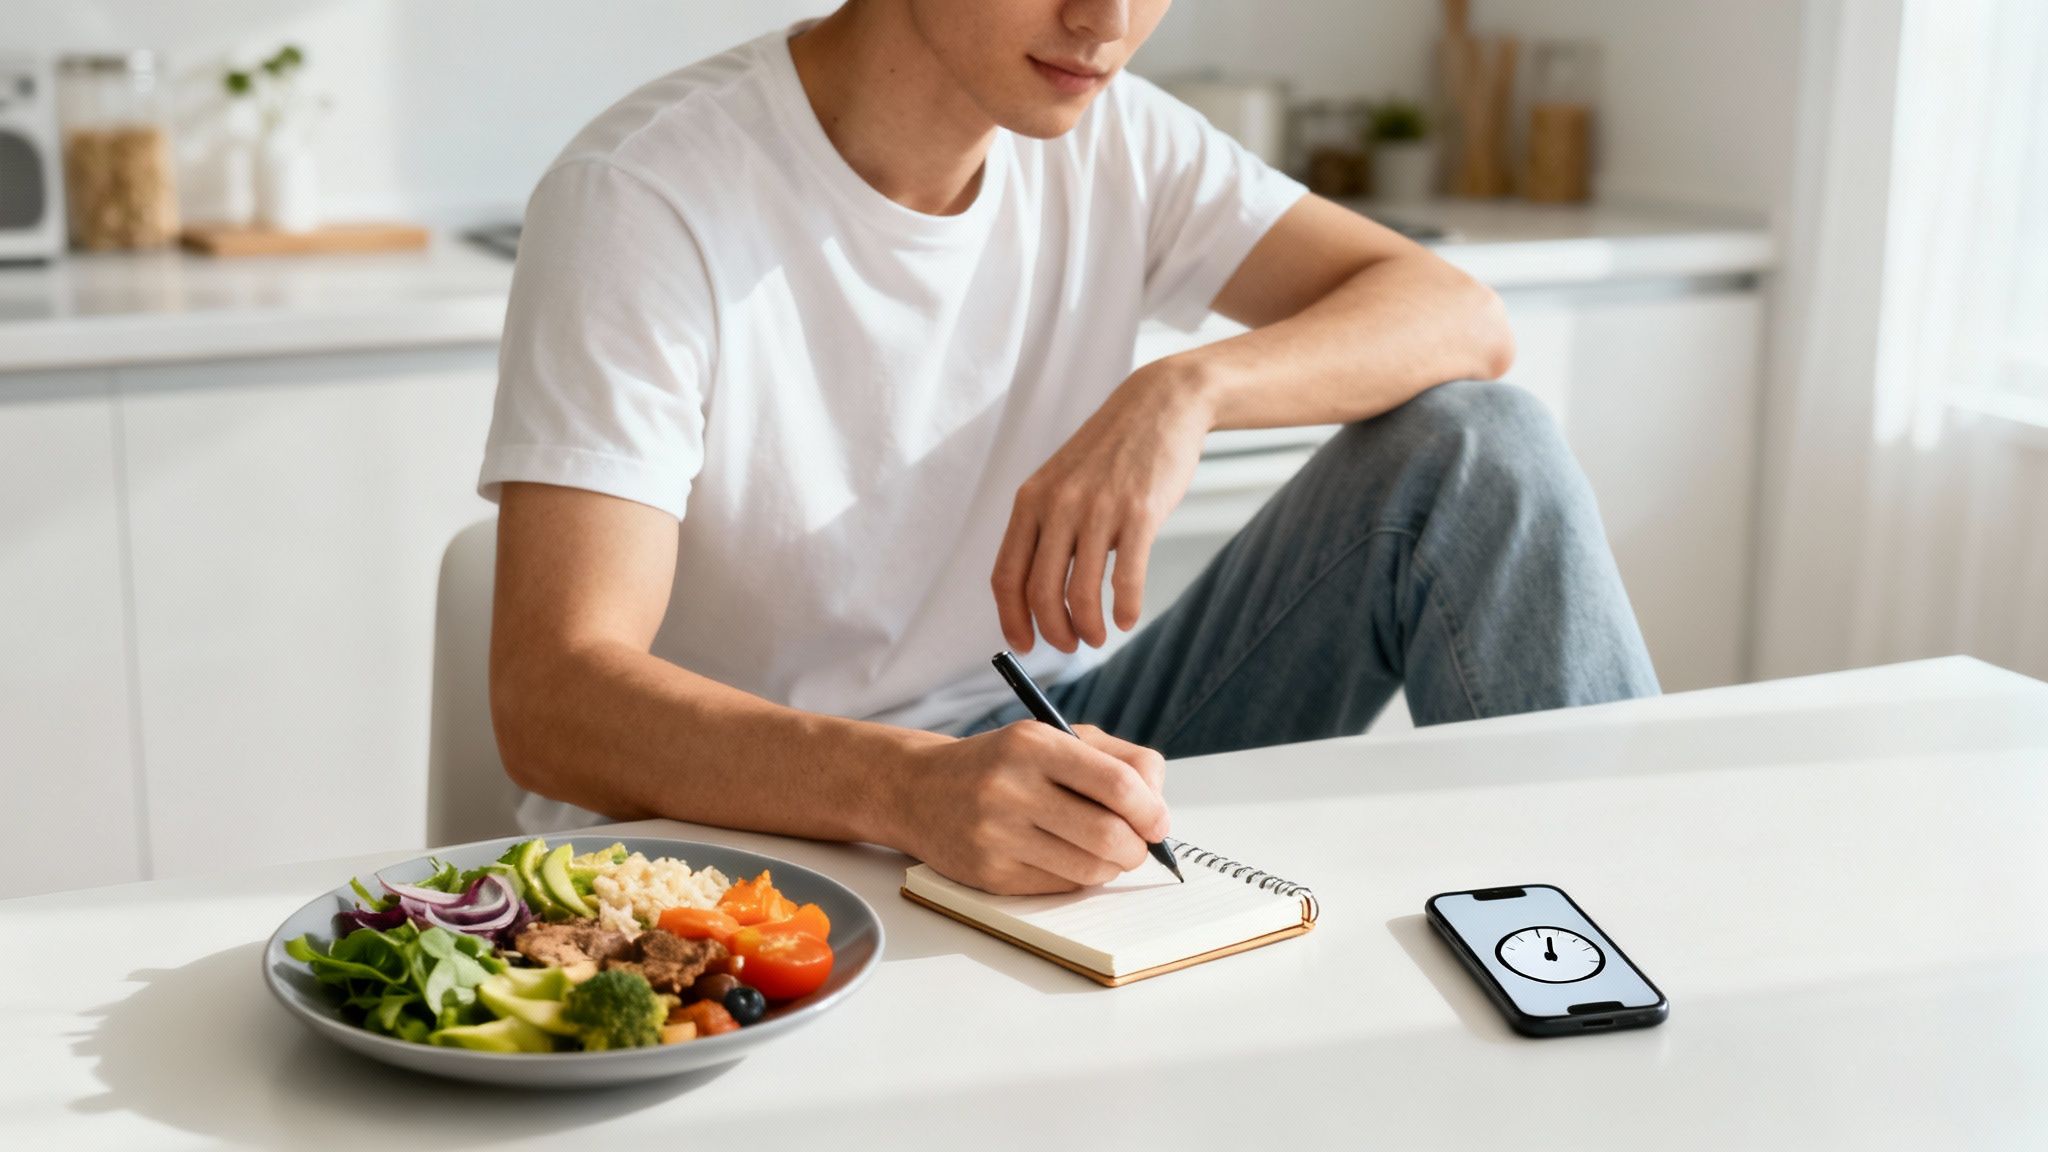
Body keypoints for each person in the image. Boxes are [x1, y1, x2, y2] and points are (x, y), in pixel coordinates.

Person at [480, 0, 1658, 896]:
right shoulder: (644, 197)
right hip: (739, 832)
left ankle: (1629, 942)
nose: (1107, 24)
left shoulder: (1119, 142)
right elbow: (554, 699)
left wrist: (1185, 389)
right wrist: (906, 790)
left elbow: (1458, 313)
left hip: (1037, 747)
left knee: (1475, 452)